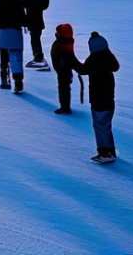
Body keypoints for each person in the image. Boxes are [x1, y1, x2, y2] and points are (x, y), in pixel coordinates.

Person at [78, 32, 120, 163]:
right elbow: (115, 66)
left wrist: (70, 58)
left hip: (98, 100)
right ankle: (110, 151)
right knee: (106, 126)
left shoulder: (93, 60)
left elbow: (82, 70)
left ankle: (105, 153)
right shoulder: (109, 58)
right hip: (109, 100)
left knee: (100, 126)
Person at [0, 0, 26, 94]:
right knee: (16, 59)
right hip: (16, 33)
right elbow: (23, 20)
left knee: (4, 57)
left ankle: (4, 78)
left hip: (3, 34)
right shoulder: (18, 2)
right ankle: (18, 82)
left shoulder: (1, 2)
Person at [50, 23, 83, 115]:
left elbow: (74, 62)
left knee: (63, 88)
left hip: (62, 71)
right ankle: (65, 107)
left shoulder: (61, 45)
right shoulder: (66, 44)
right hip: (64, 71)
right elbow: (75, 63)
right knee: (64, 88)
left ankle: (65, 108)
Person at [22, 0, 50, 70]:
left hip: (31, 16)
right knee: (36, 37)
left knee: (34, 38)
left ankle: (38, 57)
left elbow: (24, 2)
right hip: (38, 17)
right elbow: (45, 4)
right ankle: (38, 56)